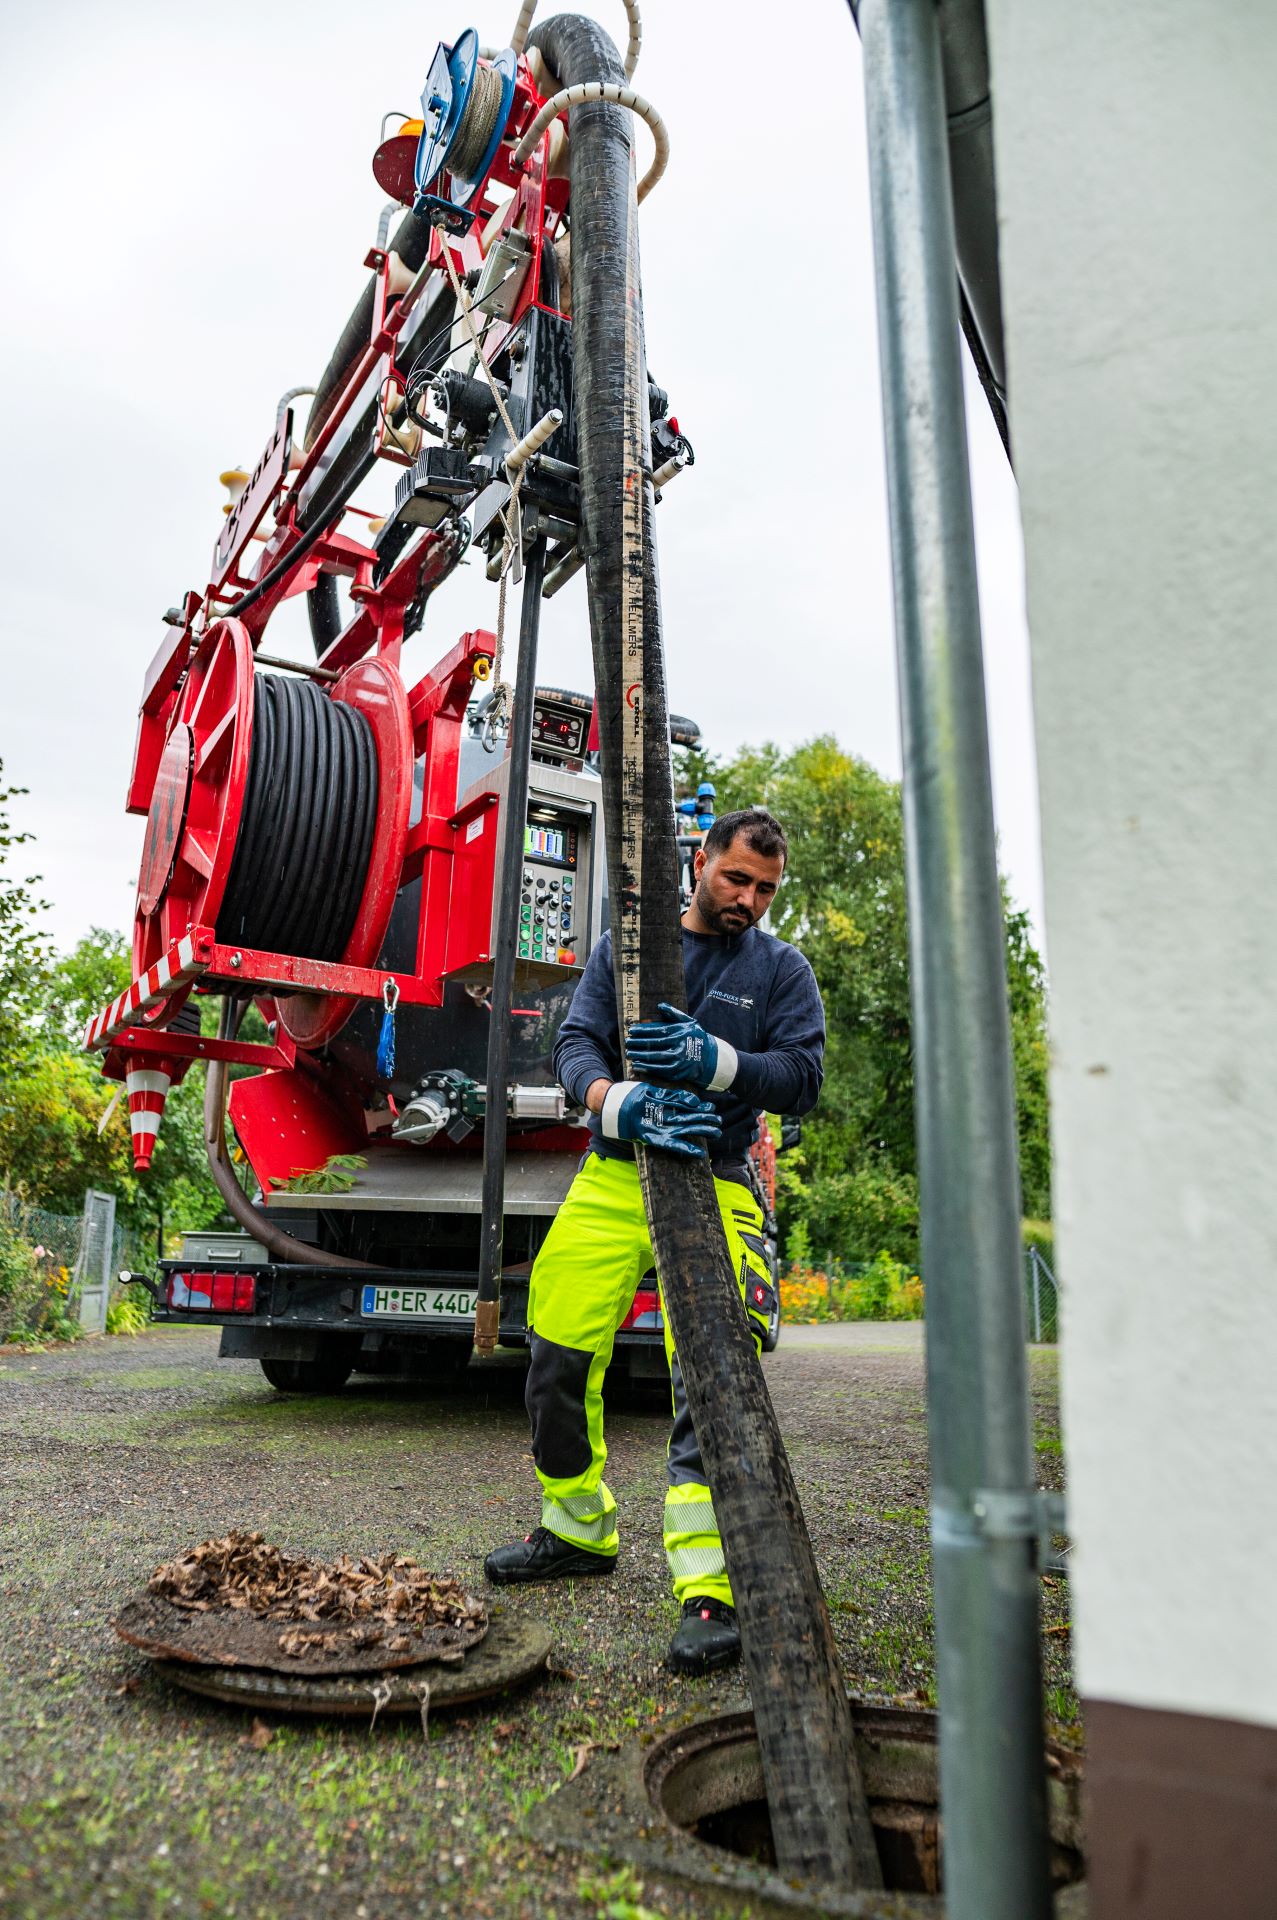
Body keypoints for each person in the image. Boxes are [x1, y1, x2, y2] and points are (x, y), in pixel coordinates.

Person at [484, 807, 826, 1675]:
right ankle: (576, 1527)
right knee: (554, 1348)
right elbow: (573, 1044)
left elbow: (802, 1079)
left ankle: (709, 1588)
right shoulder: (623, 952)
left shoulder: (781, 971)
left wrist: (717, 1063)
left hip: (715, 1179)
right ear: (700, 861)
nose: (748, 899)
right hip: (615, 1168)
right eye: (735, 878)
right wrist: (613, 1100)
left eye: (765, 889)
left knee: (710, 1371)